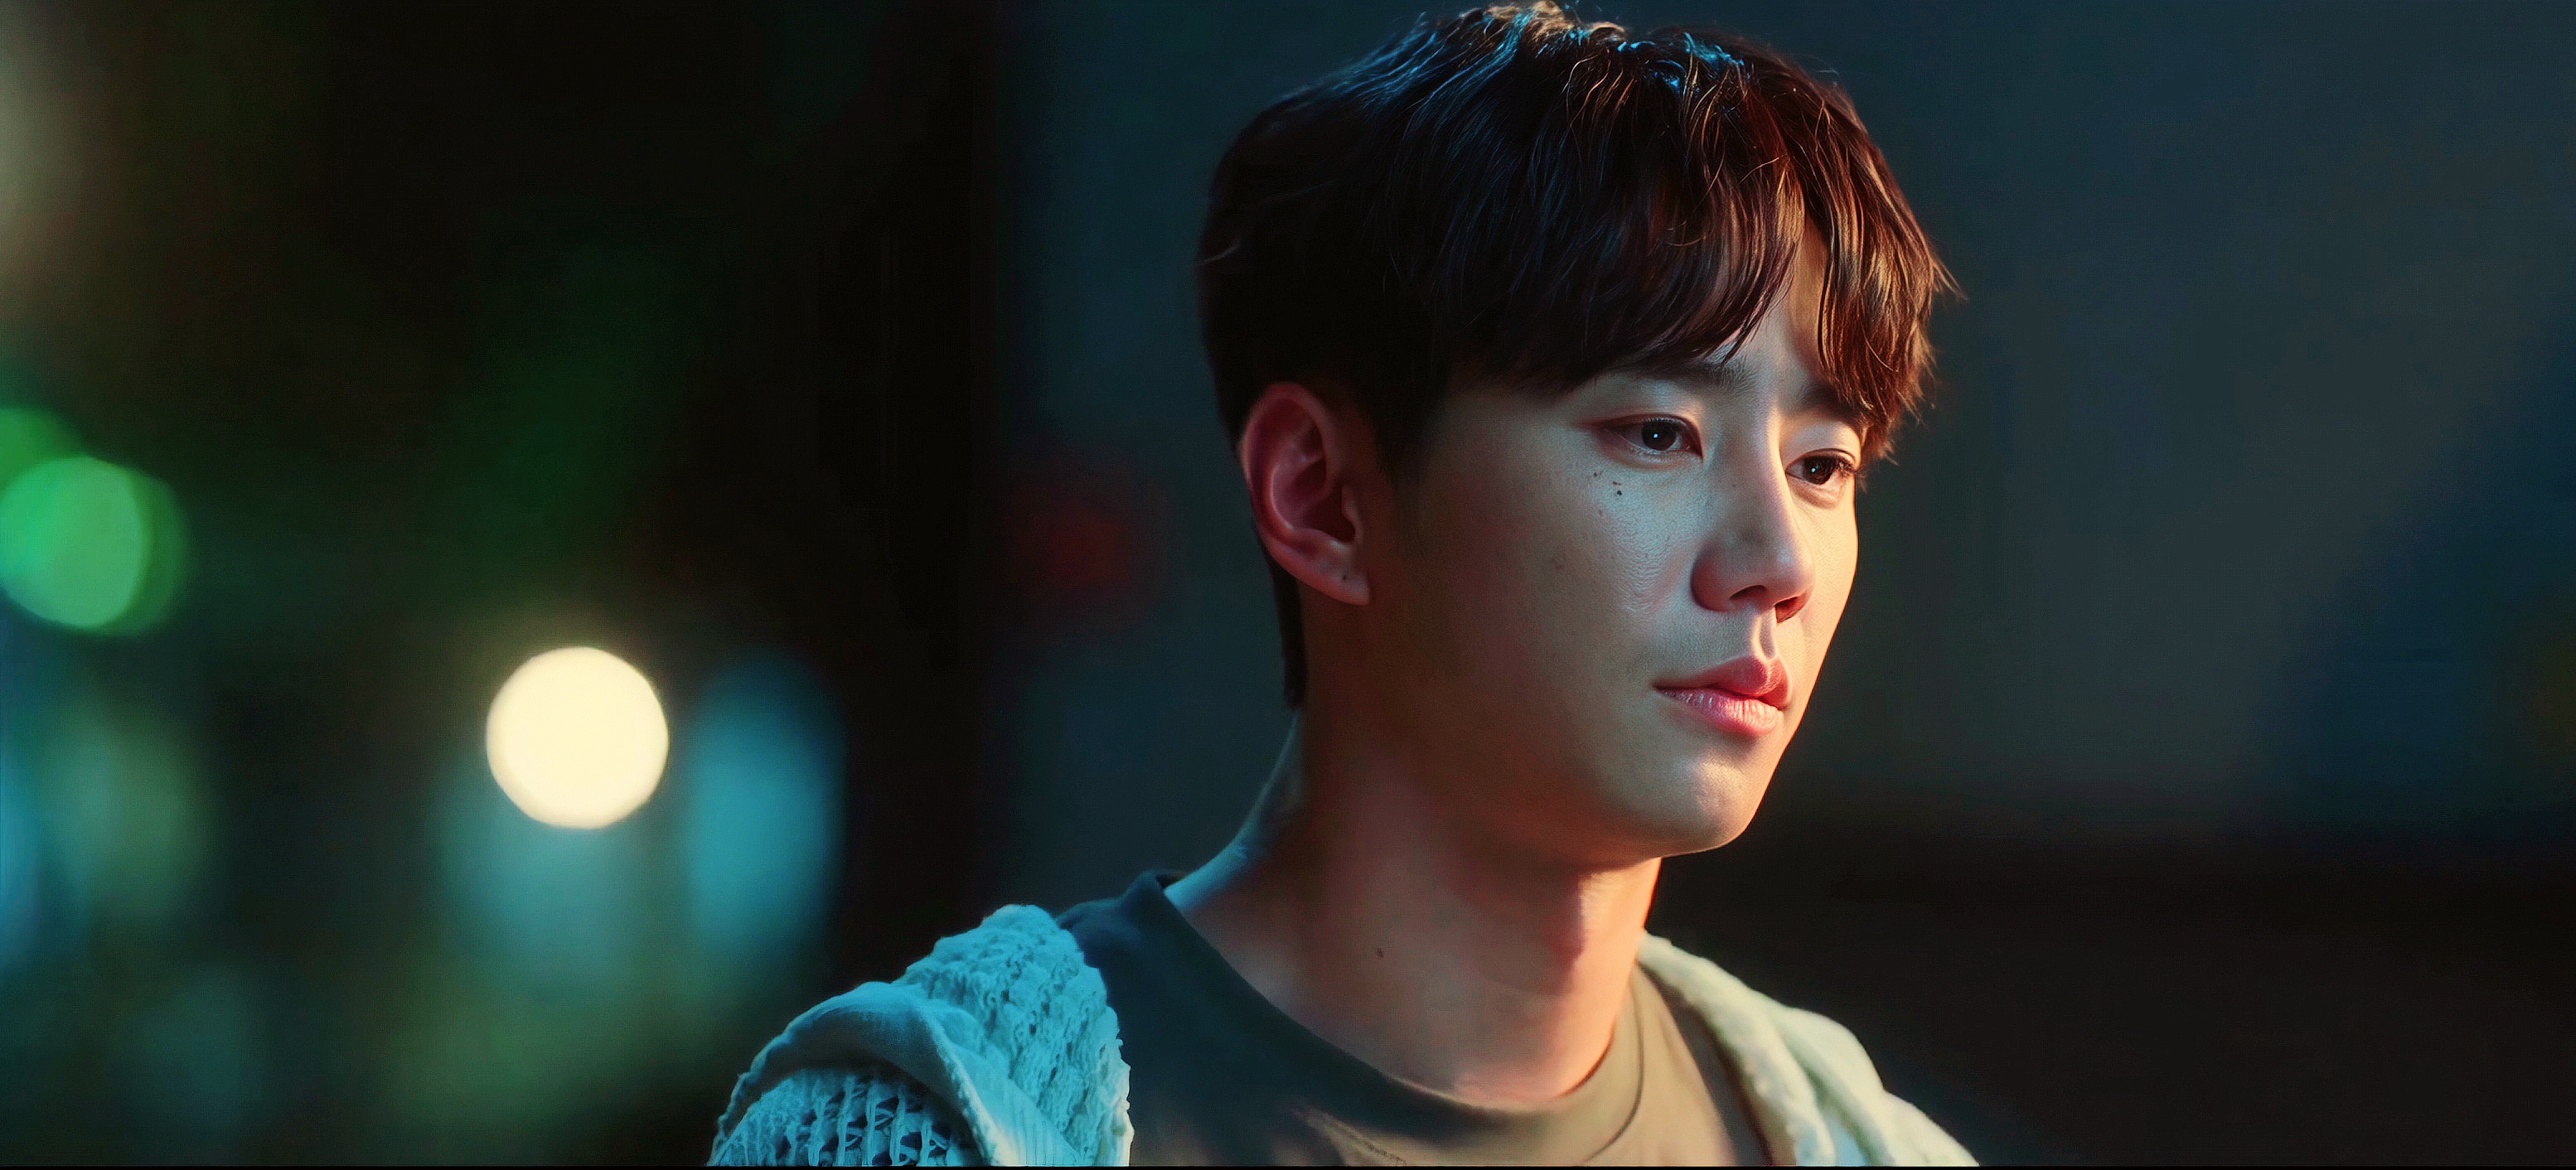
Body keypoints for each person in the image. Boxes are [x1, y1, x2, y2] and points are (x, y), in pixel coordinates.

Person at [711, 2, 1969, 1163]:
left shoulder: (1854, 1145)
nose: (1777, 566)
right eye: (1657, 433)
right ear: (1321, 495)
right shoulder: (924, 1132)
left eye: (1822, 463)